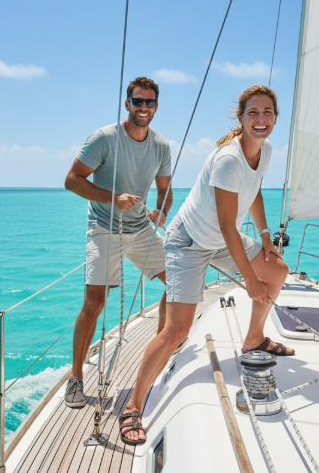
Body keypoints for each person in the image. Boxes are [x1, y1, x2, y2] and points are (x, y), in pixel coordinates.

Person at [119, 84, 291, 445]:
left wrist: (264, 237)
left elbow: (255, 189)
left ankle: (254, 338)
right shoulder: (229, 160)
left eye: (267, 113)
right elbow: (228, 227)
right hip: (190, 241)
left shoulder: (266, 149)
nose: (261, 120)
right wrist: (248, 280)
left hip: (218, 238)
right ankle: (133, 405)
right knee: (177, 331)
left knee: (277, 271)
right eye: (253, 113)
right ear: (241, 118)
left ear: (275, 117)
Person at [63, 76, 173, 409]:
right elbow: (71, 181)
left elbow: (165, 191)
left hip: (141, 229)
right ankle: (76, 378)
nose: (143, 107)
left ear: (156, 107)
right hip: (104, 228)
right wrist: (113, 198)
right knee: (94, 303)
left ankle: (162, 352)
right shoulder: (104, 139)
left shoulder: (161, 147)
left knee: (181, 280)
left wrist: (162, 211)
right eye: (137, 101)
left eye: (149, 102)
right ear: (127, 104)